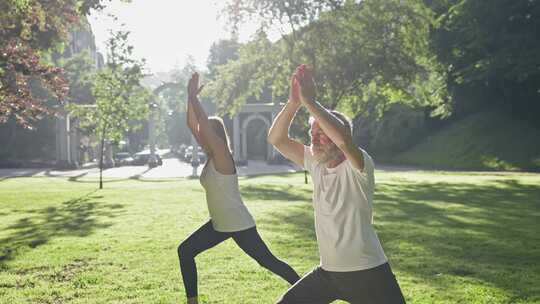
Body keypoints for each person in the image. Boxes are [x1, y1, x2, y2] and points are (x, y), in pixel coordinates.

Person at [268, 65, 406, 304]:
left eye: (322, 132)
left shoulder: (359, 165)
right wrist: (294, 103)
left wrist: (310, 102)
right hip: (329, 273)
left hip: (368, 273)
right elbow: (276, 139)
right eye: (312, 132)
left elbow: (343, 140)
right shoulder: (316, 163)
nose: (314, 138)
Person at [178, 72, 300, 304]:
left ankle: (307, 291)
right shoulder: (211, 156)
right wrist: (188, 97)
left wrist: (195, 97)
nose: (200, 135)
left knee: (267, 262)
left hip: (239, 224)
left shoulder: (223, 155)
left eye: (206, 133)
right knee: (185, 251)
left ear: (216, 136)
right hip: (219, 225)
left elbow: (201, 123)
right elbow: (191, 124)